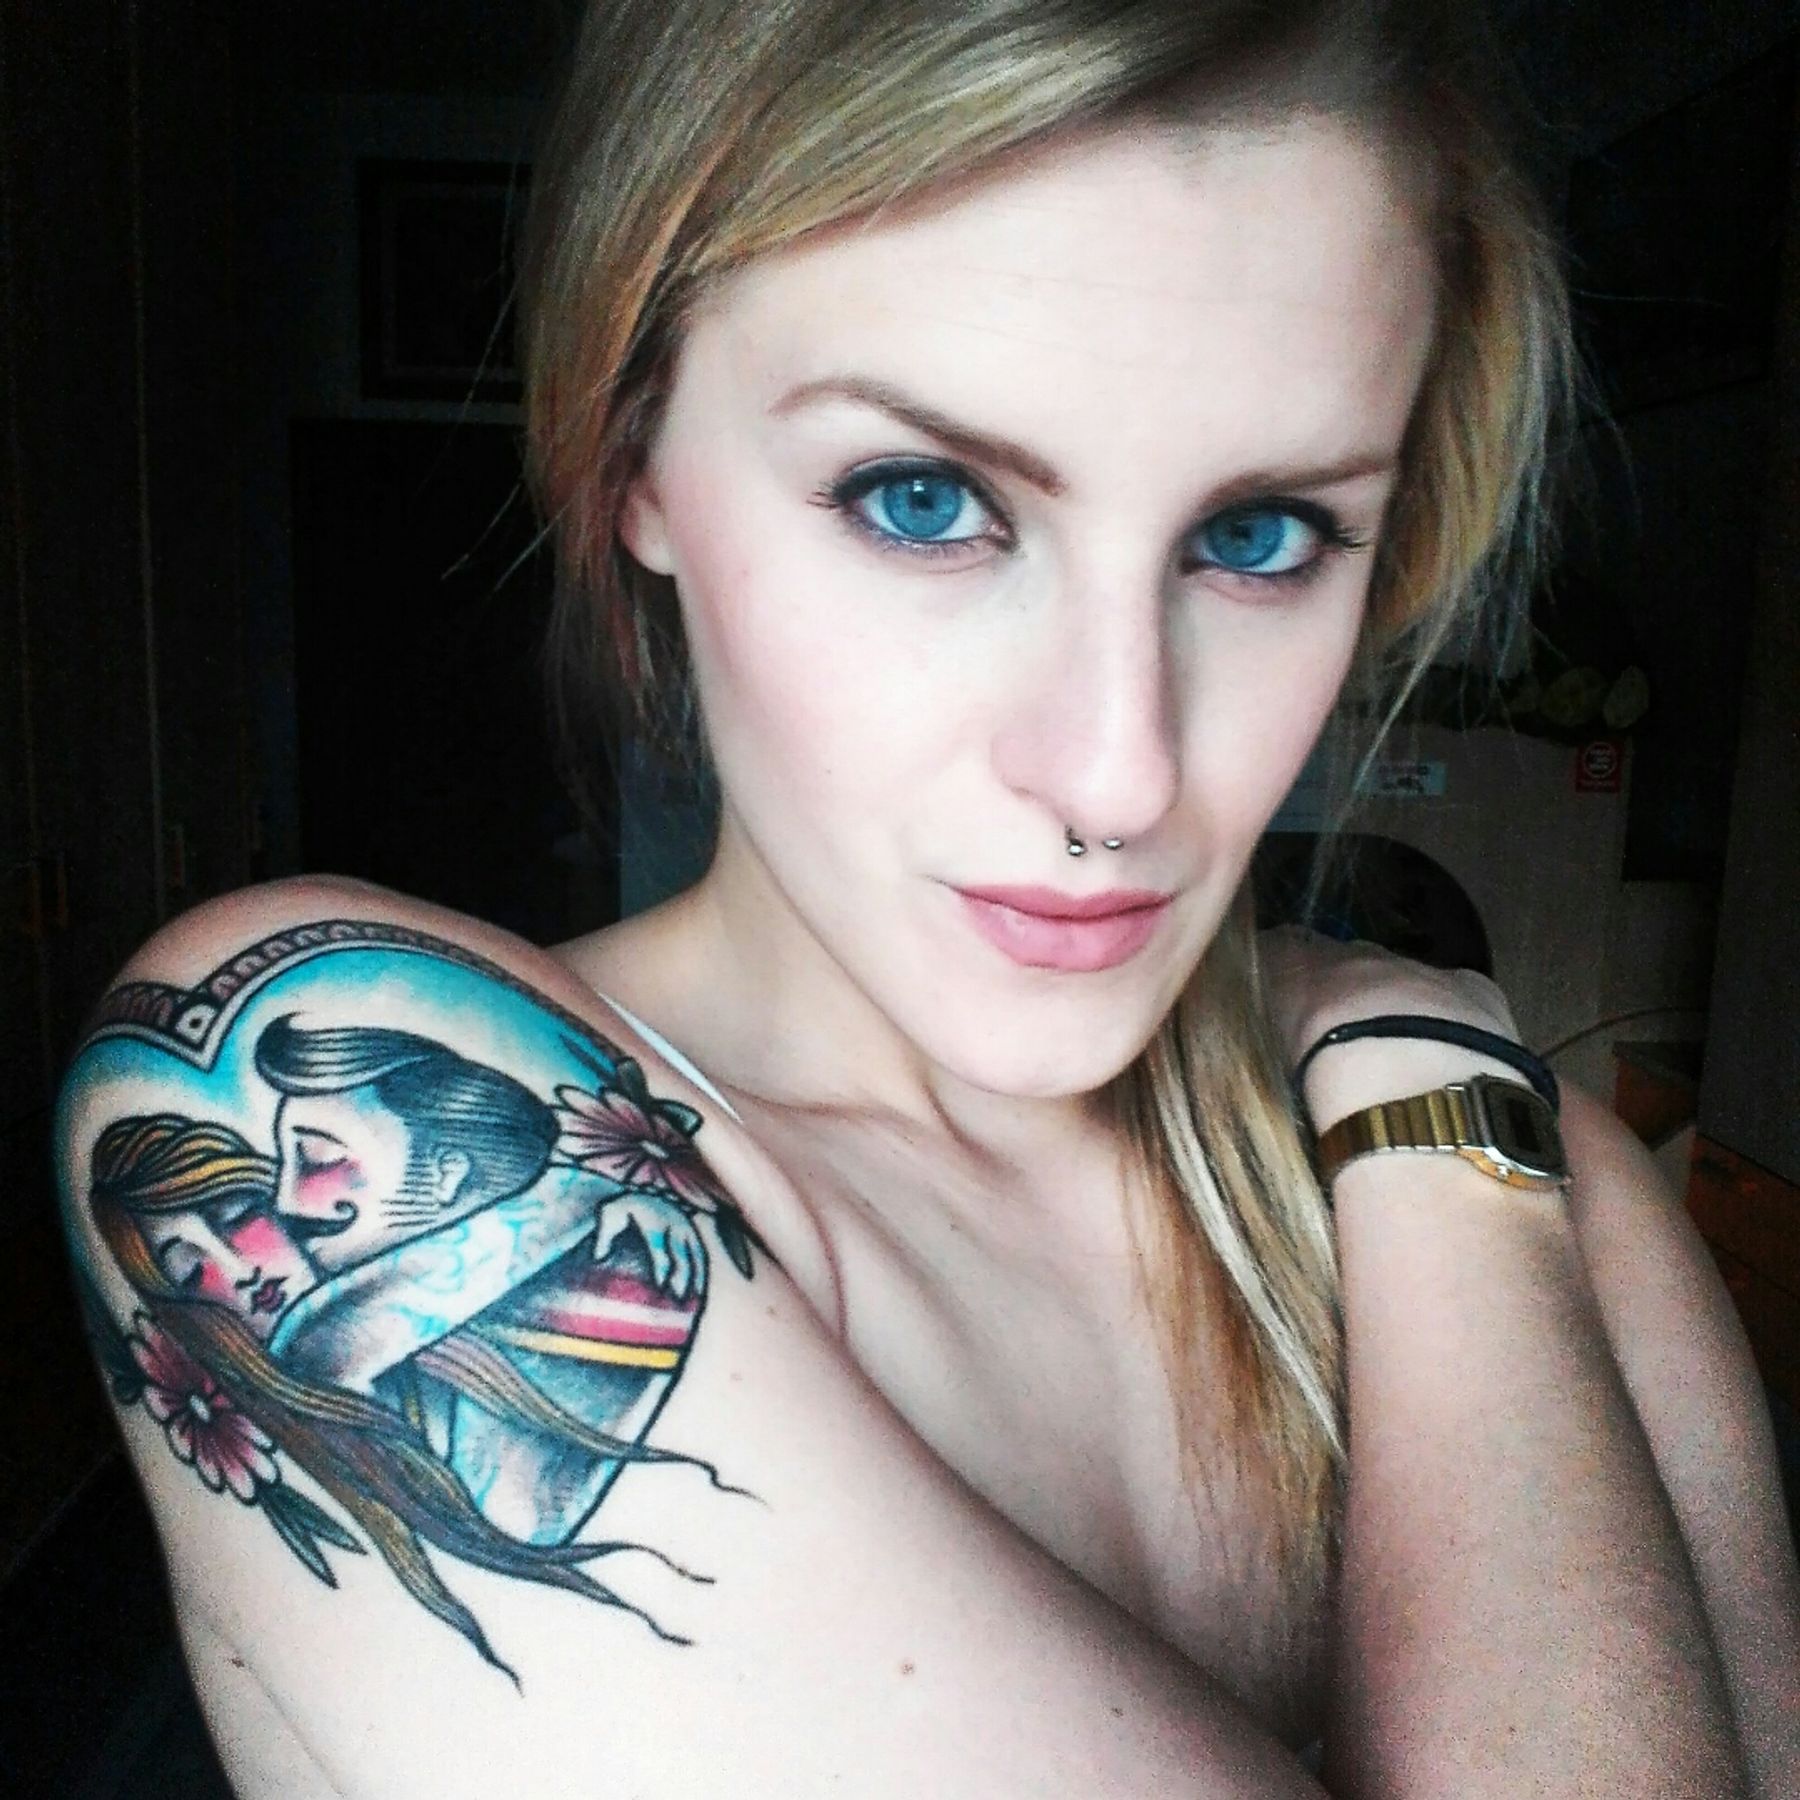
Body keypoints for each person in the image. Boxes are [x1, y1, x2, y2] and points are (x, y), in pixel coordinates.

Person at [54, 0, 1799, 1794]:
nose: (1118, 776)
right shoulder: (288, 1063)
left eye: (1259, 534)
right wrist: (1435, 1086)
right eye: (919, 499)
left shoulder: (1518, 1177)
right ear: (634, 455)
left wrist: (1422, 1109)